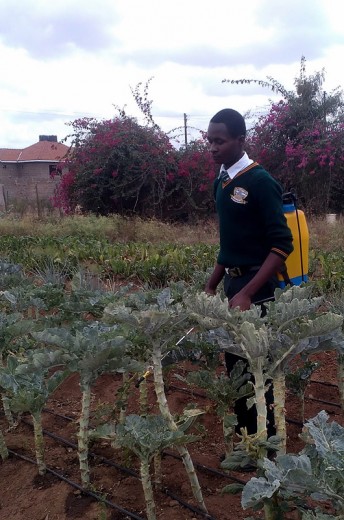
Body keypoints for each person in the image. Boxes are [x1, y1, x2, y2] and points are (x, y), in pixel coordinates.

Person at [205, 108, 294, 437]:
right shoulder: (223, 178)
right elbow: (230, 242)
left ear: (241, 140)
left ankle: (268, 443)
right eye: (209, 141)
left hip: (258, 287)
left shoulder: (260, 181)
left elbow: (283, 245)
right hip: (233, 282)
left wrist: (247, 293)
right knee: (236, 367)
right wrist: (212, 284)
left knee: (259, 368)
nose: (213, 147)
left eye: (220, 141)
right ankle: (248, 440)